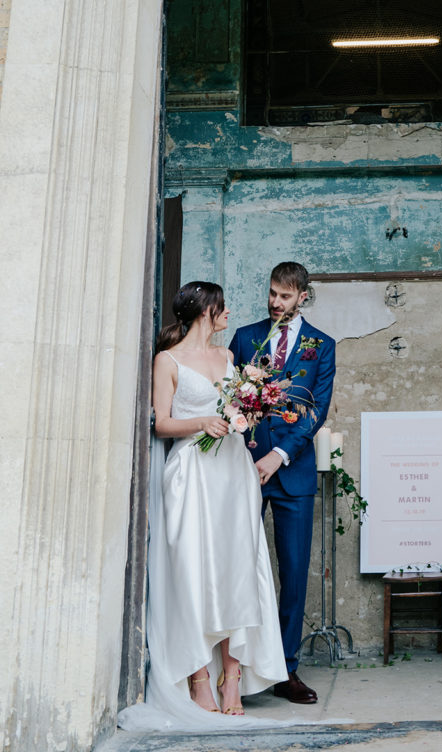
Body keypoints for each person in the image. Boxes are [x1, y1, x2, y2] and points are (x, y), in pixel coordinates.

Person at [117, 282, 286, 732]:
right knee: (194, 570)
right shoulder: (167, 360)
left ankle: (233, 676)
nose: (229, 313)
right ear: (205, 311)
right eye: (223, 307)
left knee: (237, 570)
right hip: (192, 471)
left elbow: (240, 416)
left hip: (234, 471)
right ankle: (198, 676)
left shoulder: (230, 360)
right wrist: (202, 422)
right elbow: (162, 422)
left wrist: (249, 414)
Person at [230, 262, 336, 705]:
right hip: (242, 470)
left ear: (303, 297)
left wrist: (278, 455)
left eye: (285, 296)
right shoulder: (244, 337)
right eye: (272, 293)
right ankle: (236, 670)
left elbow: (317, 410)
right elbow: (230, 397)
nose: (276, 303)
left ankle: (286, 670)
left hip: (291, 473)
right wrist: (250, 452)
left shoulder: (322, 346)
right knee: (236, 569)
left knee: (292, 575)